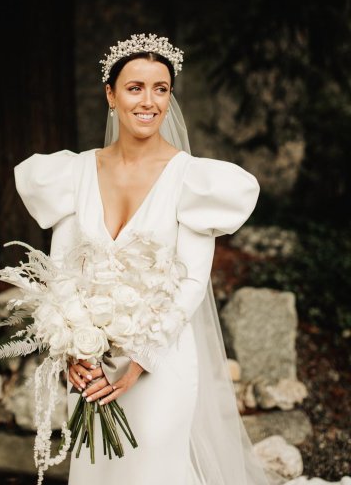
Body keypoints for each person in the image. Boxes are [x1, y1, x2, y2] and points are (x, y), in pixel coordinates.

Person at [14, 33, 271, 485]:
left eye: (161, 88)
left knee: (154, 467)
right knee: (97, 472)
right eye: (135, 87)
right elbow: (62, 270)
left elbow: (191, 281)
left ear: (170, 98)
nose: (149, 101)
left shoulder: (193, 180)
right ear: (110, 95)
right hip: (91, 368)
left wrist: (140, 360)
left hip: (160, 362)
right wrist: (74, 346)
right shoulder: (73, 172)